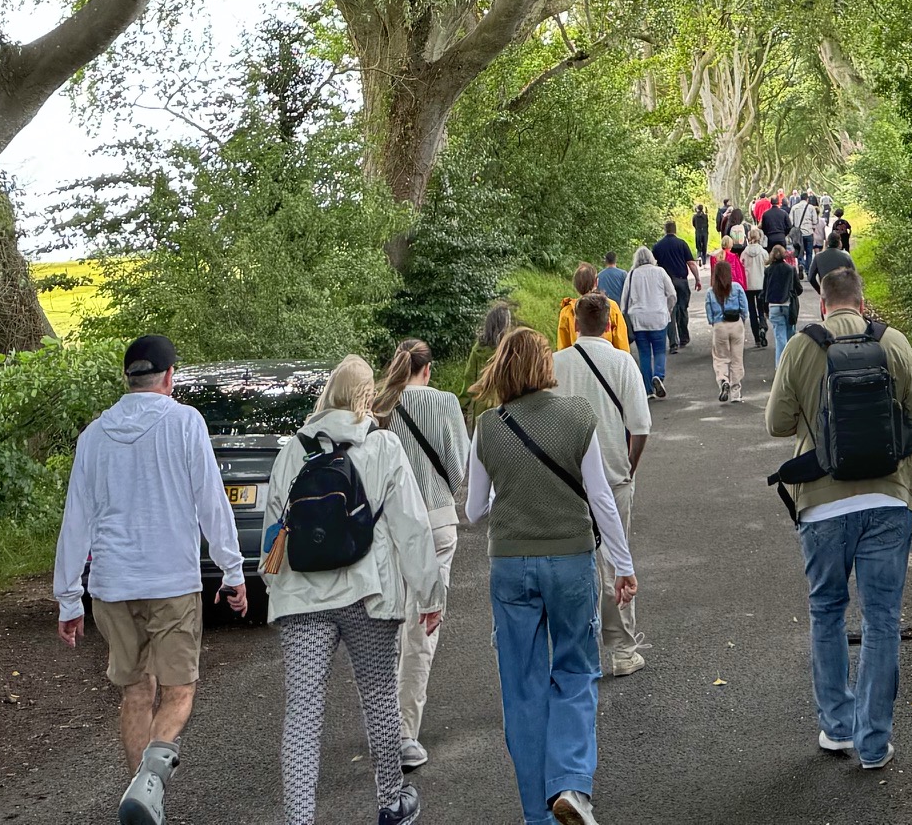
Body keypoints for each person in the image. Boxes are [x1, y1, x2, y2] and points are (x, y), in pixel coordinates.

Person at [53, 333, 251, 825]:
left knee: (136, 693)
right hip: (172, 583)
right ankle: (149, 786)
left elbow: (76, 518)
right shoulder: (185, 422)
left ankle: (143, 802)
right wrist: (233, 570)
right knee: (180, 691)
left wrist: (68, 598)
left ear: (128, 378)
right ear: (168, 378)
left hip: (112, 586)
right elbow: (211, 501)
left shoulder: (94, 435)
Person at [767, 257, 912, 772]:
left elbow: (777, 424)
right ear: (862, 303)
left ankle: (836, 729)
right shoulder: (893, 342)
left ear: (822, 301)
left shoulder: (801, 347)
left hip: (821, 506)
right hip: (887, 502)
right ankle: (873, 742)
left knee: (827, 613)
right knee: (883, 621)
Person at [467, 327, 636, 825]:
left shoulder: (487, 426)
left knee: (521, 686)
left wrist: (513, 491)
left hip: (510, 566)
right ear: (546, 366)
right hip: (569, 561)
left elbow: (475, 510)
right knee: (576, 669)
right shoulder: (577, 415)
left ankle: (534, 814)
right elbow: (602, 498)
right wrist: (622, 566)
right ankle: (569, 786)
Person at [265, 353, 443, 825]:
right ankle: (390, 803)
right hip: (368, 596)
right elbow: (412, 529)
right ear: (367, 396)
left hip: (302, 602)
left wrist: (278, 590)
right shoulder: (383, 447)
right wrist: (430, 595)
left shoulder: (292, 451)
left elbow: (273, 535)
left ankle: (298, 820)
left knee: (302, 713)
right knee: (380, 697)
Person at [376, 338, 470, 771]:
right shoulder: (446, 402)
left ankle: (386, 724)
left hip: (391, 528)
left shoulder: (380, 407)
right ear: (428, 369)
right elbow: (458, 464)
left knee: (391, 624)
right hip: (435, 522)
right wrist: (443, 492)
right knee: (422, 629)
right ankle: (404, 732)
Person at [554, 294, 651, 678]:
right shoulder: (622, 362)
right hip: (612, 475)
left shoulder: (555, 364)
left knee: (576, 563)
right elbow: (641, 427)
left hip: (567, 478)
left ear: (575, 323)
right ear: (610, 324)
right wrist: (629, 465)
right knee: (616, 560)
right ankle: (623, 650)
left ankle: (578, 648)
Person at [622, 244, 674, 397]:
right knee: (659, 350)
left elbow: (624, 300)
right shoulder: (660, 272)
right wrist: (668, 309)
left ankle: (648, 390)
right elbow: (672, 294)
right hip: (658, 317)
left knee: (644, 354)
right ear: (652, 258)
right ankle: (658, 375)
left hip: (638, 320)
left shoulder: (631, 275)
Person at [703, 254, 751, 403]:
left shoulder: (711, 292)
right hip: (736, 324)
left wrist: (714, 322)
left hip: (719, 326)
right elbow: (744, 308)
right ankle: (736, 392)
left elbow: (709, 312)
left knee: (721, 358)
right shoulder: (736, 287)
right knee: (737, 359)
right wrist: (742, 320)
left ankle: (723, 380)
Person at [557, 263, 629, 352]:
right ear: (596, 282)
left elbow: (563, 347)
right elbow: (621, 343)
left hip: (578, 361)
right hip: (607, 359)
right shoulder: (610, 307)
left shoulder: (567, 311)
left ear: (575, 285)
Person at [651, 215, 696, 350]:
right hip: (681, 281)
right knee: (682, 309)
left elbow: (653, 265)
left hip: (665, 283)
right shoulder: (682, 244)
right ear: (675, 230)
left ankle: (673, 342)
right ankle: (684, 337)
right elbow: (691, 263)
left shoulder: (658, 246)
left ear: (665, 230)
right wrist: (697, 279)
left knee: (670, 311)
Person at [762, 238, 803, 382]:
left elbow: (764, 290)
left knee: (780, 337)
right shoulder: (790, 270)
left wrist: (765, 309)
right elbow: (799, 289)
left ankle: (780, 366)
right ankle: (792, 366)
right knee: (791, 335)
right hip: (788, 305)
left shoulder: (768, 270)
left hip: (773, 305)